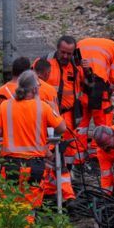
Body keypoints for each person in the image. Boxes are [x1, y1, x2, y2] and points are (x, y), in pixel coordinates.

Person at [0, 70, 66, 209]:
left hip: (10, 165)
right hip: (34, 165)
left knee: (7, 206)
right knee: (29, 208)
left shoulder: (6, 105)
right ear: (34, 89)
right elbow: (62, 128)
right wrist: (54, 109)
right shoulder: (43, 107)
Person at [34, 36, 86, 166]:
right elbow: (28, 82)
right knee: (47, 146)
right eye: (62, 52)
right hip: (47, 114)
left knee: (68, 149)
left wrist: (86, 70)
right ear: (57, 48)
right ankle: (46, 178)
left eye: (69, 53)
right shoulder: (44, 62)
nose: (65, 56)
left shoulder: (76, 66)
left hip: (68, 115)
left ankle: (65, 176)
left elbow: (89, 86)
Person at [34, 58, 76, 203]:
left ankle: (45, 195)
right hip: (47, 138)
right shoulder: (48, 90)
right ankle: (67, 196)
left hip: (29, 140)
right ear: (47, 73)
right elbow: (55, 119)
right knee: (59, 168)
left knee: (41, 171)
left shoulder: (19, 89)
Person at [76, 37, 114, 160]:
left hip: (81, 87)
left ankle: (78, 156)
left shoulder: (82, 42)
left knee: (81, 124)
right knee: (103, 123)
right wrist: (108, 95)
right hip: (99, 88)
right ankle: (97, 155)